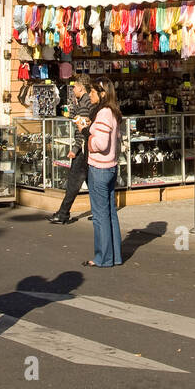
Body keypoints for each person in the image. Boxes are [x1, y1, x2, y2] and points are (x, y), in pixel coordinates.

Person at [83, 78, 123, 268]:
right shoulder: (112, 112)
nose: (89, 94)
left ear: (102, 94)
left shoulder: (105, 113)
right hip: (110, 167)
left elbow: (101, 143)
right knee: (110, 213)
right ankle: (114, 255)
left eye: (92, 91)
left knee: (100, 215)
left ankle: (103, 257)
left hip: (100, 168)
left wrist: (88, 139)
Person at [48, 74, 93, 225]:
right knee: (90, 182)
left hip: (83, 149)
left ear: (81, 87)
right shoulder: (83, 102)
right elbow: (73, 117)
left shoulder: (86, 103)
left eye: (74, 87)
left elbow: (82, 129)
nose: (72, 89)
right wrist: (73, 104)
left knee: (73, 182)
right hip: (86, 148)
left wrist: (75, 149)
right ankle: (98, 210)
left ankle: (63, 214)